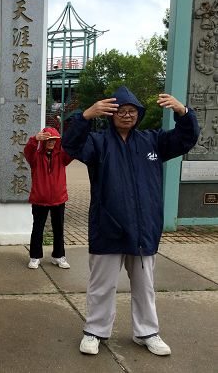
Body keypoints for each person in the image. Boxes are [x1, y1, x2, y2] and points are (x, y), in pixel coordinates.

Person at [61, 86, 199, 356]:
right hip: (108, 227)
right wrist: (85, 116)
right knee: (102, 286)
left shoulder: (153, 141)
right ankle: (94, 331)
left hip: (144, 229)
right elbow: (71, 145)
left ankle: (147, 332)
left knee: (145, 286)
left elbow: (186, 139)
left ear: (139, 114)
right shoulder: (98, 143)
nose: (127, 115)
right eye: (121, 111)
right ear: (111, 115)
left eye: (132, 111)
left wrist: (183, 113)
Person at [24, 127, 73, 270]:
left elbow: (73, 150)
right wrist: (34, 140)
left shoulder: (62, 156)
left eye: (54, 140)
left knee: (59, 229)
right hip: (40, 199)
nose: (51, 142)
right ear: (44, 141)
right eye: (48, 140)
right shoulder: (36, 156)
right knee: (38, 229)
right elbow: (27, 152)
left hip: (59, 199)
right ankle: (35, 257)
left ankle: (59, 256)